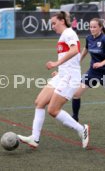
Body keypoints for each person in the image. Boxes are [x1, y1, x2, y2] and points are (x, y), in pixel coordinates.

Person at [17, 11, 90, 149]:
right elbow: (70, 57)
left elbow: (75, 51)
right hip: (63, 75)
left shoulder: (69, 33)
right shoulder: (64, 35)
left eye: (54, 23)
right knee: (39, 102)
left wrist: (56, 64)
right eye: (51, 24)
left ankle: (82, 130)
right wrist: (60, 69)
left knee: (53, 110)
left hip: (70, 78)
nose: (52, 26)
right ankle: (34, 138)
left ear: (62, 21)